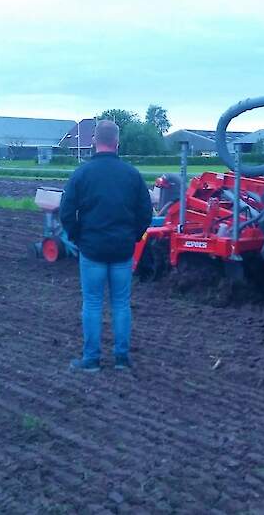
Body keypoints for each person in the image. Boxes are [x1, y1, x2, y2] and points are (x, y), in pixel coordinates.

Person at [60, 120, 152, 372]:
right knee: (121, 303)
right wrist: (133, 237)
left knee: (92, 303)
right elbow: (146, 212)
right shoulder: (131, 174)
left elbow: (67, 213)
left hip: (92, 250)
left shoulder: (82, 174)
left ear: (93, 141)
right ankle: (121, 358)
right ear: (117, 142)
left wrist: (79, 238)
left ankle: (91, 360)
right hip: (122, 250)